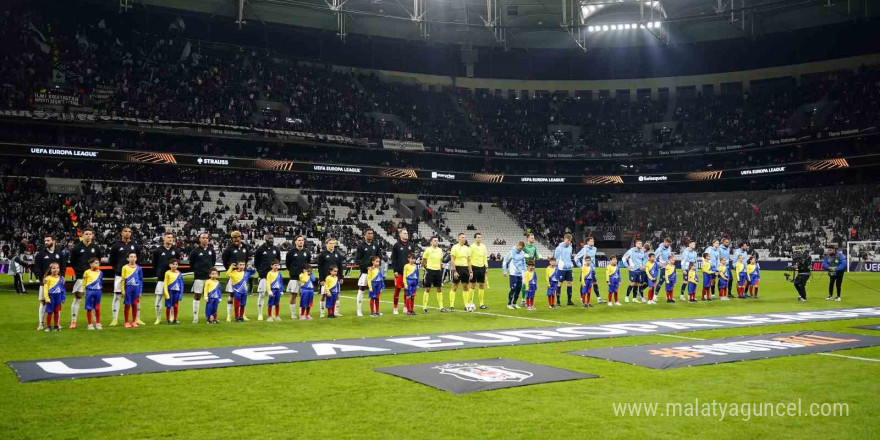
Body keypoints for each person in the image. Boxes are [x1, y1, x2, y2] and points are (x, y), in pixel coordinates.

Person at [68, 228, 103, 329]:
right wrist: (79, 272)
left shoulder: (96, 248)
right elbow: (73, 261)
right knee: (78, 297)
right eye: (86, 234)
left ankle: (95, 321)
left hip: (93, 278)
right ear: (82, 235)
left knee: (94, 301)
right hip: (81, 277)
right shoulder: (77, 248)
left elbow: (98, 260)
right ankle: (73, 320)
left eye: (90, 234)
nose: (88, 236)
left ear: (92, 236)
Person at [108, 226, 139, 327]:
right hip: (119, 275)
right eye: (125, 231)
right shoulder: (116, 246)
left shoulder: (135, 245)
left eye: (129, 231)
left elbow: (139, 258)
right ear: (121, 233)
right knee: (117, 296)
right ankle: (115, 319)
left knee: (136, 298)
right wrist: (118, 269)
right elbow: (112, 260)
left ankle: (136, 319)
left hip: (133, 276)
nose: (127, 233)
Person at [34, 235, 65, 331]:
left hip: (57, 283)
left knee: (58, 303)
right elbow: (36, 267)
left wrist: (63, 276)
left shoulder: (60, 253)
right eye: (45, 240)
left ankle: (56, 324)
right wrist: (41, 278)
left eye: (48, 240)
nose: (46, 242)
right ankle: (41, 323)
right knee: (43, 302)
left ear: (54, 241)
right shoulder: (40, 254)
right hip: (45, 282)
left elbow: (63, 266)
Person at [153, 232, 182, 324]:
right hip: (161, 279)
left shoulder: (176, 251)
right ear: (163, 238)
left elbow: (178, 263)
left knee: (173, 301)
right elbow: (154, 264)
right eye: (168, 237)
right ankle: (158, 318)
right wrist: (159, 273)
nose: (170, 239)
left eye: (171, 237)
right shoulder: (158, 250)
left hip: (173, 281)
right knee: (159, 299)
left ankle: (172, 318)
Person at [222, 231, 252, 321]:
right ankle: (229, 314)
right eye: (234, 238)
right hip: (233, 275)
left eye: (237, 237)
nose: (236, 239)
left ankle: (242, 315)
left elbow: (246, 260)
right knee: (231, 294)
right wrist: (230, 269)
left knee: (243, 294)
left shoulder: (245, 248)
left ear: (240, 238)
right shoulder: (229, 249)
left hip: (242, 276)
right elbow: (225, 260)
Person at [188, 232, 216, 323]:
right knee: (197, 296)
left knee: (210, 297)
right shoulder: (195, 251)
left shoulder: (211, 250)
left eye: (206, 238)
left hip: (209, 278)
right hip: (199, 277)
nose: (205, 239)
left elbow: (213, 262)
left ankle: (209, 316)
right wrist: (197, 270)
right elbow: (191, 264)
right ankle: (195, 317)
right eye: (203, 238)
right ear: (199, 239)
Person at [390, 229, 419, 314]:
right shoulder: (396, 245)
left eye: (407, 233)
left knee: (407, 290)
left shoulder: (411, 245)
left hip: (409, 273)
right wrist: (395, 270)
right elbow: (393, 259)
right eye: (404, 233)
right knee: (397, 289)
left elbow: (413, 257)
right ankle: (395, 308)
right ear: (400, 235)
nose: (406, 234)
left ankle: (406, 307)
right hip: (399, 271)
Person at [355, 229, 382, 317]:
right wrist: (367, 267)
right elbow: (358, 260)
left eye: (372, 233)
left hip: (374, 273)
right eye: (369, 233)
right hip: (364, 272)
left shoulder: (376, 245)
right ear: (364, 235)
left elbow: (379, 257)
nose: (371, 235)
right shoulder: (361, 246)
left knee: (375, 291)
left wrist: (378, 266)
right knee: (361, 289)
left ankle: (375, 311)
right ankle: (359, 310)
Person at [254, 234, 282, 321]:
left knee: (274, 296)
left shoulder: (276, 249)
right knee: (262, 294)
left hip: (274, 277)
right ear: (265, 239)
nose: (271, 240)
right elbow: (256, 262)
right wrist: (261, 272)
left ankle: (273, 315)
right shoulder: (260, 249)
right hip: (263, 277)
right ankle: (260, 314)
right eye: (269, 238)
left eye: (272, 238)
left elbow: (278, 260)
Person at [317, 238, 345, 317]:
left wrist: (341, 277)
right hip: (326, 279)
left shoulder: (337, 254)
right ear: (326, 244)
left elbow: (340, 266)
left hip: (335, 279)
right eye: (330, 243)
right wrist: (321, 279)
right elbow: (320, 268)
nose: (332, 245)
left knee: (337, 295)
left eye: (333, 243)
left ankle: (335, 312)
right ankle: (322, 313)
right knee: (323, 295)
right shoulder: (322, 255)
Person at [285, 235, 311, 319]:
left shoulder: (307, 252)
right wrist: (293, 272)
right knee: (293, 295)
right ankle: (293, 313)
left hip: (304, 278)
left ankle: (302, 314)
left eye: (302, 240)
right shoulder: (291, 252)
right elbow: (287, 264)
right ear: (295, 241)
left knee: (303, 296)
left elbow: (308, 264)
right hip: (294, 278)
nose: (301, 241)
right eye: (299, 240)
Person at [574, 237, 605, 303]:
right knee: (583, 284)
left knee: (595, 283)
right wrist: (580, 266)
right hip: (585, 270)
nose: (592, 242)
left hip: (592, 269)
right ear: (587, 242)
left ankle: (599, 299)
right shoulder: (584, 249)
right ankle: (582, 299)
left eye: (593, 241)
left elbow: (593, 258)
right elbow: (576, 257)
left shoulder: (595, 249)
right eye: (591, 241)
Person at [421, 236, 446, 313]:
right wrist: (427, 268)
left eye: (437, 241)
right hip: (430, 271)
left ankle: (441, 307)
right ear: (431, 242)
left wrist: (439, 268)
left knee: (439, 288)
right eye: (435, 240)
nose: (436, 242)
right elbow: (423, 261)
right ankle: (424, 307)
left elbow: (440, 261)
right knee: (427, 288)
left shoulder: (440, 250)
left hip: (438, 271)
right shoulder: (428, 250)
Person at [448, 233, 471, 311]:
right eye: (462, 237)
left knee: (465, 287)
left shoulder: (467, 248)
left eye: (465, 237)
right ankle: (451, 305)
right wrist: (454, 270)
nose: (464, 238)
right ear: (459, 238)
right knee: (454, 286)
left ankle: (466, 305)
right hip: (457, 268)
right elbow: (452, 260)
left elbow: (469, 261)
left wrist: (470, 271)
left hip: (465, 269)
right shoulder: (454, 247)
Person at [121, 252, 143, 328]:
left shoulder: (139, 268)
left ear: (136, 258)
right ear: (128, 258)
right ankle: (126, 322)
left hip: (136, 288)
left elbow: (140, 280)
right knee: (127, 305)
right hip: (128, 288)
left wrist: (140, 291)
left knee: (134, 304)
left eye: (134, 257)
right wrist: (123, 290)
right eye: (131, 257)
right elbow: (123, 279)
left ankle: (134, 321)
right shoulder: (125, 267)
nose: (133, 258)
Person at [503, 241, 527, 309]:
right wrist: (504, 270)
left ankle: (514, 303)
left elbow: (523, 262)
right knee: (513, 288)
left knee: (519, 289)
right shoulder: (511, 252)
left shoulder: (522, 253)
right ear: (518, 245)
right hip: (513, 273)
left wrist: (525, 271)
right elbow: (505, 261)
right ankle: (509, 303)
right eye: (520, 248)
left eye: (522, 248)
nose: (520, 249)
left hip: (520, 273)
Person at [42, 262, 65, 332]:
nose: (56, 270)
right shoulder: (47, 278)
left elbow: (63, 289)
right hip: (51, 297)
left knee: (57, 312)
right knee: (49, 312)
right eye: (54, 268)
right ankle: (48, 326)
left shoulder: (61, 278)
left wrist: (63, 298)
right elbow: (45, 289)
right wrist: (47, 298)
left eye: (57, 268)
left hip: (58, 297)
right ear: (50, 269)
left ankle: (56, 326)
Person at [553, 234, 575, 306]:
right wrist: (556, 269)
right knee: (559, 283)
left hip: (569, 268)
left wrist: (570, 265)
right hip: (561, 269)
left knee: (570, 283)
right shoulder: (558, 248)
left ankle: (569, 301)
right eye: (568, 240)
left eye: (570, 241)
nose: (569, 242)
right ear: (564, 239)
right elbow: (556, 259)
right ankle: (558, 301)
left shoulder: (570, 248)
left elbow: (569, 257)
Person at [83, 257, 104, 330]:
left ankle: (98, 323)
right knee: (89, 308)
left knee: (97, 308)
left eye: (98, 263)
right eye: (95, 263)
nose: (97, 264)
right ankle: (89, 324)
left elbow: (100, 282)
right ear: (90, 264)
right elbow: (84, 282)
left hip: (98, 291)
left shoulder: (100, 273)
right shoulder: (87, 272)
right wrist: (84, 290)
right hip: (89, 291)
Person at [469, 233, 488, 310]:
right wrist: (470, 269)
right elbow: (469, 258)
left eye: (480, 237)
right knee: (472, 285)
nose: (479, 239)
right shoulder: (471, 247)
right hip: (474, 267)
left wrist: (486, 267)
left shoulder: (484, 247)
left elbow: (485, 258)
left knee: (481, 285)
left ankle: (481, 304)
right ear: (475, 238)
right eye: (478, 237)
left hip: (482, 267)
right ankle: (470, 303)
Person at [163, 258, 184, 325]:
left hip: (176, 292)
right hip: (170, 291)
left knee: (175, 306)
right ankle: (168, 320)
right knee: (168, 306)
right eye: (173, 264)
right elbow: (165, 283)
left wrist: (180, 294)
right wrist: (166, 293)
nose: (174, 265)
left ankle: (175, 319)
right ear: (170, 265)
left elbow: (181, 284)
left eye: (176, 264)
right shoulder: (167, 273)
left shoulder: (179, 274)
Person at [521, 233, 540, 306]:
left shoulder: (534, 248)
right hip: (525, 267)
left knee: (532, 284)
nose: (533, 239)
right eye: (532, 238)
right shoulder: (524, 247)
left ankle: (529, 300)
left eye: (533, 237)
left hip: (532, 268)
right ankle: (523, 300)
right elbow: (521, 254)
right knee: (525, 283)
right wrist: (524, 255)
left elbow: (535, 257)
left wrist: (538, 257)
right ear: (528, 238)